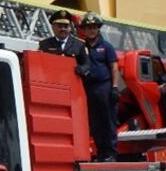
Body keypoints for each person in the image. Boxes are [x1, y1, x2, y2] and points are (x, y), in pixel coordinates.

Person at [78, 12, 120, 162]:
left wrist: (115, 87)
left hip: (105, 87)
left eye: (94, 27)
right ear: (84, 29)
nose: (91, 30)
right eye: (88, 27)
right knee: (95, 123)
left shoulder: (106, 47)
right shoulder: (81, 48)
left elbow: (114, 67)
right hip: (89, 88)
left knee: (108, 121)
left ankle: (111, 154)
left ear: (98, 29)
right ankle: (101, 153)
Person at [39, 10, 90, 75]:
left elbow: (87, 64)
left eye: (66, 26)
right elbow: (38, 63)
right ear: (53, 27)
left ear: (70, 28)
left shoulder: (79, 44)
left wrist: (81, 69)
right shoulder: (44, 44)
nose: (63, 29)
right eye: (59, 26)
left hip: (72, 81)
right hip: (51, 80)